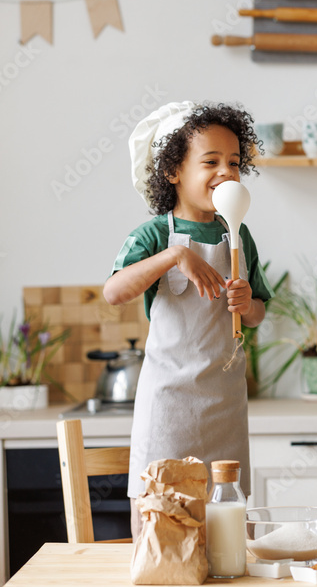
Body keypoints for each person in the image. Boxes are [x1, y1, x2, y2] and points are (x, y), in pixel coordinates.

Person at [105, 101, 272, 537]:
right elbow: (115, 291)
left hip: (225, 405)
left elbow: (256, 315)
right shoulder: (154, 235)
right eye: (210, 161)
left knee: (227, 531)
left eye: (234, 162)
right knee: (164, 523)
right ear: (173, 171)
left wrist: (245, 301)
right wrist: (175, 255)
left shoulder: (238, 233)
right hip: (168, 407)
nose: (225, 172)